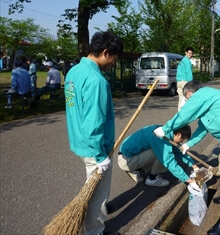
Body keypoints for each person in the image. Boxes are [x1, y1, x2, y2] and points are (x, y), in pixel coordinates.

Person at [153, 81, 220, 235]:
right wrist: (189, 145)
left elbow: (185, 115)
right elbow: (202, 129)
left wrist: (165, 128)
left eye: (187, 98)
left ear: (190, 92)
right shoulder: (208, 102)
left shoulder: (203, 94)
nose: (188, 101)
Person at [64, 31, 123, 235]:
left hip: (79, 141)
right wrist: (100, 157)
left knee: (92, 188)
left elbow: (74, 107)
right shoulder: (96, 81)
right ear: (105, 52)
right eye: (113, 59)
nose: (113, 64)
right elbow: (93, 123)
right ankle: (95, 231)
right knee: (98, 195)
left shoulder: (73, 72)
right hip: (95, 149)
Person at [118, 124, 200, 189]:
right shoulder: (161, 138)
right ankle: (152, 179)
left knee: (163, 151)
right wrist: (189, 180)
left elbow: (178, 151)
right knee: (162, 155)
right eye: (182, 139)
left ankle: (137, 169)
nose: (181, 142)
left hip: (130, 155)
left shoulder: (164, 131)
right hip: (126, 160)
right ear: (178, 135)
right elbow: (169, 162)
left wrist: (194, 166)